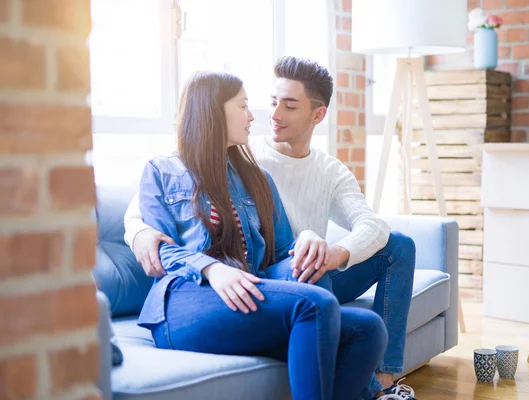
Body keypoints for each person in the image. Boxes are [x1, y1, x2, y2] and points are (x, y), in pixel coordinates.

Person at [129, 59, 417, 400]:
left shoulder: (256, 176)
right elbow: (156, 246)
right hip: (185, 299)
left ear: (316, 114)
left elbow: (283, 251)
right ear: (213, 112)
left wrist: (309, 240)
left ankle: (375, 390)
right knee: (315, 305)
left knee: (368, 328)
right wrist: (211, 269)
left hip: (249, 292)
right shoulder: (162, 171)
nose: (257, 116)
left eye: (285, 105)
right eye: (244, 106)